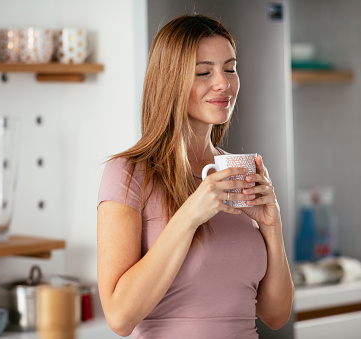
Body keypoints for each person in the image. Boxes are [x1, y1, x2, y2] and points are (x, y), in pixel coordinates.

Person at [97, 14, 294, 339]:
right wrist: (190, 215)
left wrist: (272, 227)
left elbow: (275, 316)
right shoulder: (130, 173)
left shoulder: (240, 170)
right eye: (204, 72)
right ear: (169, 81)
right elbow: (120, 317)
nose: (223, 83)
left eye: (230, 68)